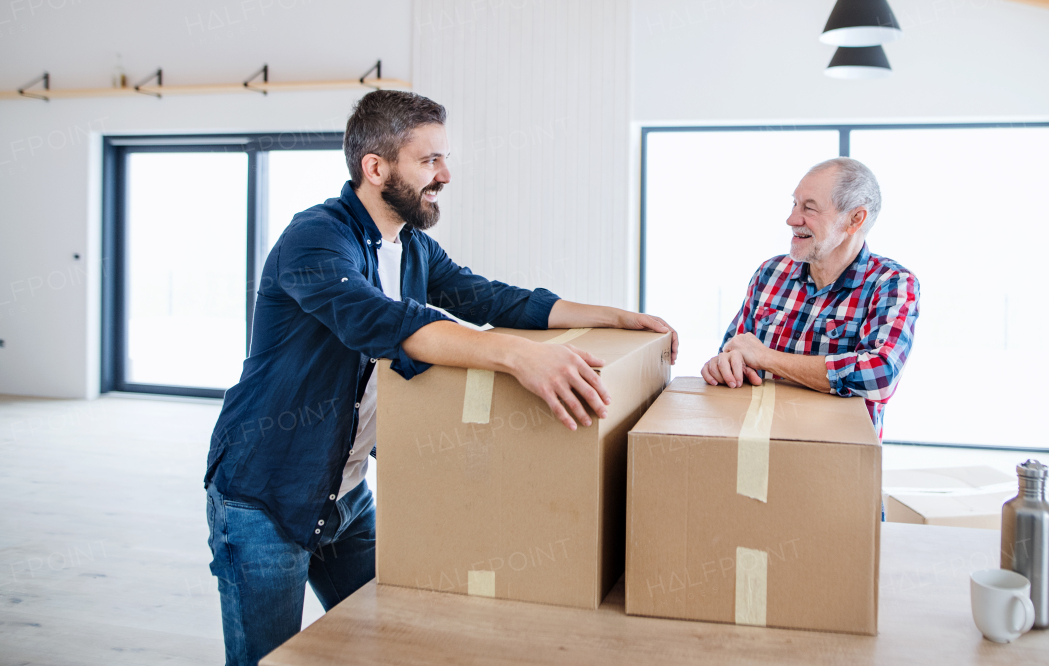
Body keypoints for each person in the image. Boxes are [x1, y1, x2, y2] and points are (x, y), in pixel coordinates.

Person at [204, 90, 678, 666]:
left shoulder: (412, 249)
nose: (446, 174)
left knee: (389, 637)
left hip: (344, 494)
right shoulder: (316, 238)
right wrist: (516, 358)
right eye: (429, 161)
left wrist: (617, 316)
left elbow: (496, 300)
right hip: (266, 494)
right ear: (375, 168)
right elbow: (383, 322)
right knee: (266, 660)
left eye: (444, 159)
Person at [701, 157, 918, 438]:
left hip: (836, 458)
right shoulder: (770, 273)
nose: (792, 219)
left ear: (855, 219)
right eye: (794, 204)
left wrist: (767, 358)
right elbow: (736, 352)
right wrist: (723, 366)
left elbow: (880, 376)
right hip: (758, 445)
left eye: (809, 208)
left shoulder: (891, 284)